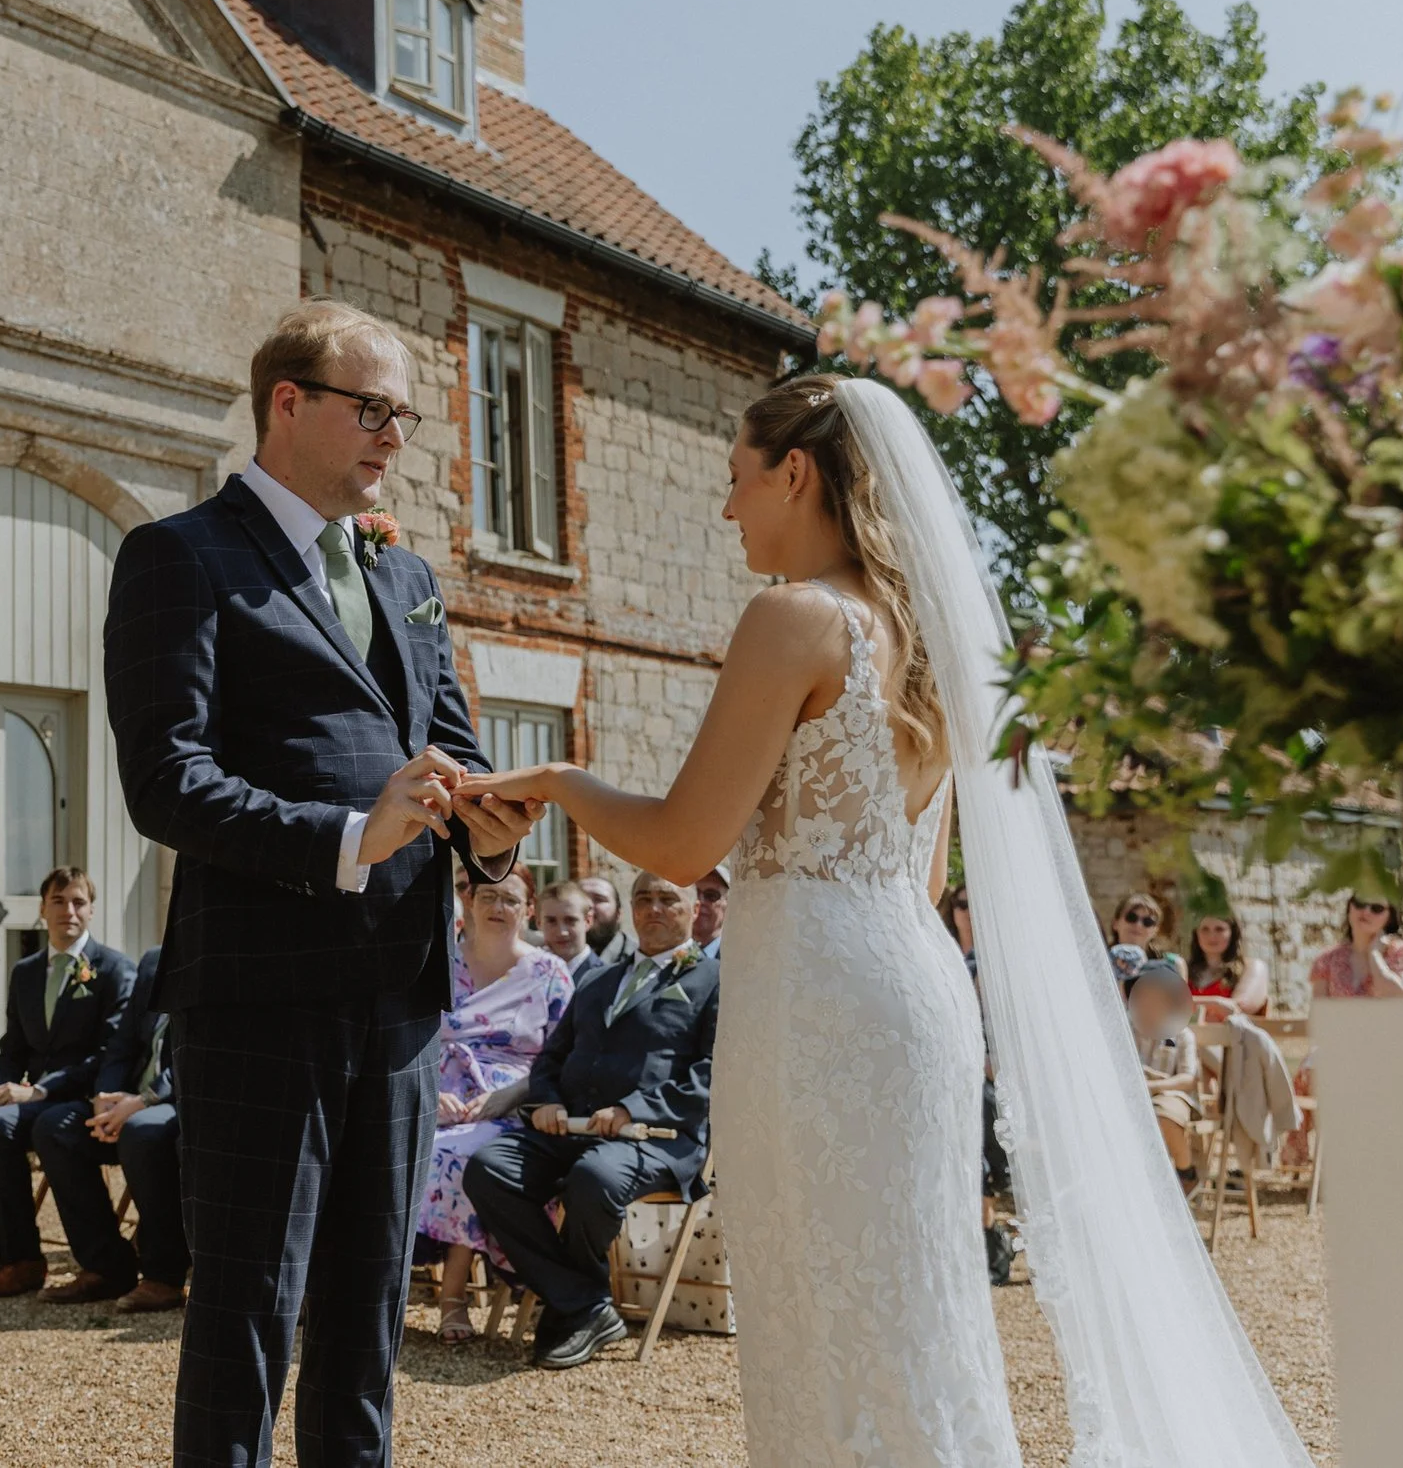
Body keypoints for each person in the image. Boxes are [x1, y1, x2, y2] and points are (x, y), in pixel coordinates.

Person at [454, 373, 1314, 1463]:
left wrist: (562, 781)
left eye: (736, 481)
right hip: (908, 986)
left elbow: (683, 842)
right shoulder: (927, 637)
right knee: (912, 1312)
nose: (726, 511)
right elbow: (921, 860)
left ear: (796, 471)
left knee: (823, 1316)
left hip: (818, 1003)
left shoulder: (795, 615)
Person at [103, 300, 541, 1468]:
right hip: (258, 994)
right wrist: (351, 833)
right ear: (287, 403)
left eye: (404, 413)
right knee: (247, 1312)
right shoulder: (179, 555)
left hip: (401, 997)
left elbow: (451, 754)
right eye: (373, 408)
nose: (394, 434)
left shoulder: (404, 577)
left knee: (364, 1318)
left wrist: (491, 834)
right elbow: (165, 780)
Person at [460, 863, 718, 1370]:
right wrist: (548, 1101)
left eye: (668, 898)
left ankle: (574, 1304)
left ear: (695, 909)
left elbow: (713, 1075)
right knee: (489, 1168)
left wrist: (630, 1110)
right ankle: (585, 1302)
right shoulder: (601, 980)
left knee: (593, 1177)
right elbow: (552, 1058)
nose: (654, 909)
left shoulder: (715, 982)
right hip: (572, 1129)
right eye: (644, 898)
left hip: (657, 1138)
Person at [0, 868, 135, 1299]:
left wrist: (39, 1090)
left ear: (91, 910)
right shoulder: (25, 972)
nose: (69, 911)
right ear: (42, 909)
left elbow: (109, 1054)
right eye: (58, 901)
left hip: (75, 1097)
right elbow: (12, 1048)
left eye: (78, 902)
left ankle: (25, 1260)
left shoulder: (114, 970)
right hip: (25, 1095)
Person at [419, 868, 572, 1344]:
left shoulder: (549, 973)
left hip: (514, 1100)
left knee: (460, 1158)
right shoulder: (436, 961)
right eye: (487, 896)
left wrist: (510, 1096)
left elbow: (565, 1056)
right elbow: (409, 1043)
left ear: (527, 910)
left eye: (510, 899)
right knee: (381, 1150)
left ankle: (452, 1298)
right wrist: (427, 1094)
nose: (497, 908)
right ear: (467, 900)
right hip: (436, 1094)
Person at [34, 942, 187, 1311]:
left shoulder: (218, 962)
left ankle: (163, 1275)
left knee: (143, 1133)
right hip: (128, 1099)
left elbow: (201, 1052)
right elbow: (122, 1043)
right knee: (55, 1128)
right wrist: (105, 1096)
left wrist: (142, 1101)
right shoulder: (153, 960)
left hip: (180, 1100)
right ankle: (107, 1266)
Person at [939, 883, 1016, 1284]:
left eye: (976, 904)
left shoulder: (1002, 964)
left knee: (980, 1103)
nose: (968, 912)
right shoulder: (943, 955)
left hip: (994, 1076)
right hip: (953, 1072)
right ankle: (984, 1235)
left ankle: (987, 1232)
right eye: (962, 904)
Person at [1128, 962, 1203, 1189]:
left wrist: (1154, 1086)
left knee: (1165, 1115)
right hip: (1133, 1092)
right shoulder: (1127, 1029)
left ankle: (1185, 1171)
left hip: (1172, 1094)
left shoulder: (1182, 1035)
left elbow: (1188, 1079)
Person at [1309, 894, 1403, 999]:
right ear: (1349, 907)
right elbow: (1321, 1011)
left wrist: (1375, 954)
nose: (1366, 911)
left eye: (1377, 908)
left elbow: (1400, 994)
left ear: (1390, 917)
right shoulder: (1327, 960)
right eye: (1360, 904)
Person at [1187, 913, 1270, 1019]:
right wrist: (1216, 1005)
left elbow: (1240, 1007)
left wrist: (1188, 1006)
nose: (1212, 936)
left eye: (1219, 929)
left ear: (1232, 933)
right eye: (1205, 929)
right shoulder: (1183, 968)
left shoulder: (1252, 967)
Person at [533, 879, 600, 983]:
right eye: (551, 921)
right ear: (539, 923)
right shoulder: (528, 972)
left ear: (588, 921)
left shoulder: (603, 978)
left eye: (570, 920)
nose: (562, 932)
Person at [1111, 891, 1184, 974]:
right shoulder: (1100, 959)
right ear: (1115, 923)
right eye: (1131, 917)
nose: (1138, 925)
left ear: (1156, 930)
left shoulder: (1172, 964)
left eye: (1148, 922)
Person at [580, 873, 636, 964]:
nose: (588, 905)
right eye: (581, 898)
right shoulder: (554, 959)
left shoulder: (637, 958)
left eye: (599, 899)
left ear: (618, 913)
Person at [691, 864, 729, 950]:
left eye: (711, 895)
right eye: (695, 893)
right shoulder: (664, 953)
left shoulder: (738, 957)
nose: (700, 901)